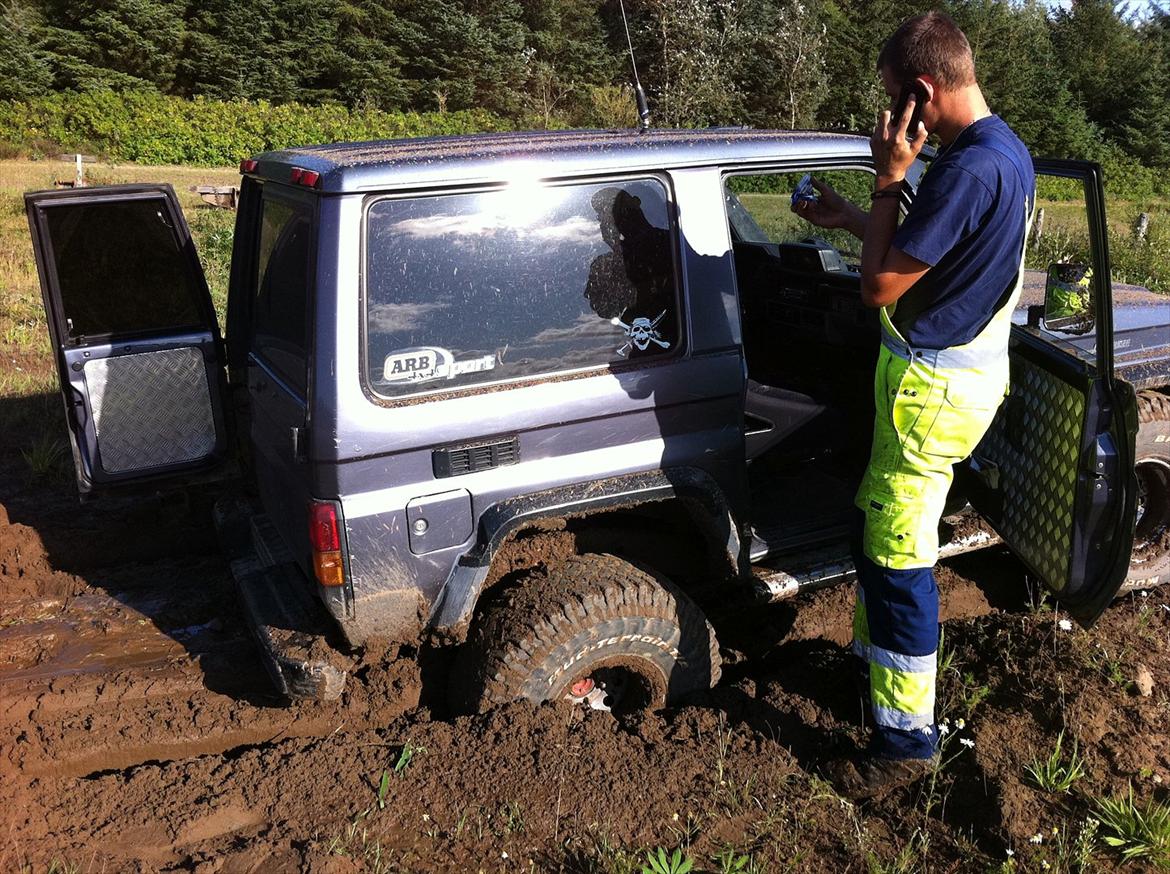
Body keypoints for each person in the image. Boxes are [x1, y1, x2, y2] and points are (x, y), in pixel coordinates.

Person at [793, 11, 1035, 798]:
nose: (891, 115)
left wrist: (889, 176)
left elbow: (879, 287)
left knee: (900, 563)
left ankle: (904, 743)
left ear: (922, 94)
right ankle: (872, 675)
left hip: (930, 392)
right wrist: (855, 219)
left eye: (895, 99)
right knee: (883, 528)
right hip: (958, 378)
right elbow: (926, 253)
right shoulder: (1001, 153)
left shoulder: (964, 169)